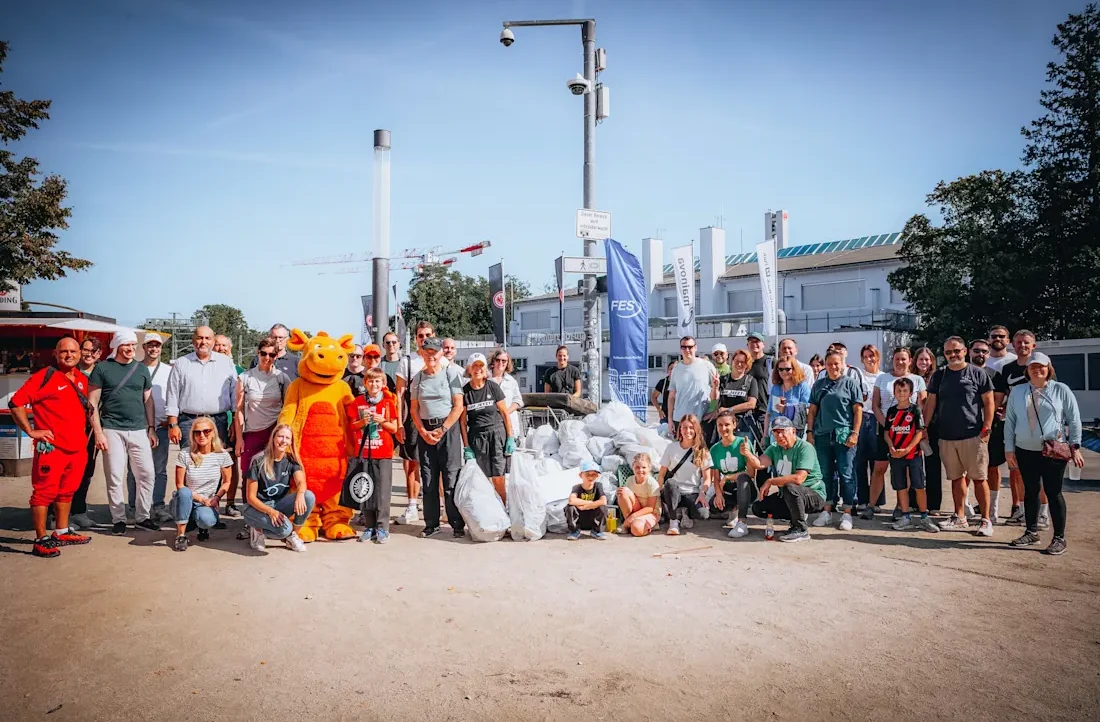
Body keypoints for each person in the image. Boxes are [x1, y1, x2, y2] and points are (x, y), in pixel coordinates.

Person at [8, 337, 92, 557]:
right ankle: (41, 539)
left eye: (73, 351)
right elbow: (16, 403)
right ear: (55, 354)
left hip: (77, 448)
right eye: (64, 351)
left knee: (67, 490)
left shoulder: (81, 379)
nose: (69, 355)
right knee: (44, 492)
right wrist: (31, 431)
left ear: (80, 354)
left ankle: (62, 531)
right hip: (52, 448)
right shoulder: (45, 376)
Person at [1005, 352, 1082, 556]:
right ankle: (1031, 532)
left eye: (1041, 366)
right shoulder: (1018, 391)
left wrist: (1075, 446)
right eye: (1033, 367)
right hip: (1025, 449)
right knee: (1030, 491)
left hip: (1052, 450)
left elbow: (1074, 419)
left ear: (1049, 369)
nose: (1037, 370)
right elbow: (1010, 421)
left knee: (1053, 492)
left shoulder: (1061, 389)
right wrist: (1009, 448)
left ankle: (1059, 537)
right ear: (1027, 370)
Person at [89, 331, 158, 536]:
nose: (130, 349)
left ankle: (143, 516)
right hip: (111, 428)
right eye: (126, 345)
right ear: (117, 346)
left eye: (133, 345)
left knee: (147, 474)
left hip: (139, 429)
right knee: (115, 476)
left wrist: (151, 428)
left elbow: (148, 401)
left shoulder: (141, 369)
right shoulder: (102, 368)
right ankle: (118, 519)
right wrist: (98, 432)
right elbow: (92, 403)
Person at [926, 337, 996, 536]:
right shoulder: (939, 376)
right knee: (956, 478)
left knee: (979, 479)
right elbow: (931, 403)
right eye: (948, 352)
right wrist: (923, 427)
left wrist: (987, 427)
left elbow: (989, 402)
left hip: (973, 434)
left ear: (965, 351)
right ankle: (960, 517)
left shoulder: (978, 373)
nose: (953, 355)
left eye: (956, 351)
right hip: (947, 436)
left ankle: (986, 520)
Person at [410, 336, 466, 538]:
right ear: (422, 354)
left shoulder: (451, 374)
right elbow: (414, 409)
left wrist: (442, 429)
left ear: (441, 353)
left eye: (434, 352)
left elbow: (458, 406)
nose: (431, 356)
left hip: (447, 429)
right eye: (427, 352)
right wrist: (423, 432)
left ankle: (456, 524)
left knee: (451, 477)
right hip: (426, 430)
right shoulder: (418, 378)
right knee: (429, 479)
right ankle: (431, 524)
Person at [742, 416, 828, 543]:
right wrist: (747, 454)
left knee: (790, 486)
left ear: (793, 431)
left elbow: (799, 479)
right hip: (789, 494)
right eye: (776, 432)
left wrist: (770, 481)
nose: (779, 436)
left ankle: (801, 529)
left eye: (783, 431)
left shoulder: (805, 448)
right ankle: (797, 515)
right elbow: (759, 464)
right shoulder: (774, 448)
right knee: (758, 507)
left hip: (813, 494)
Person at [866, 347, 927, 520]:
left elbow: (922, 406)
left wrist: (918, 428)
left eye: (903, 359)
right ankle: (871, 505)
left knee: (904, 470)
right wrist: (888, 425)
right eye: (897, 359)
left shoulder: (917, 380)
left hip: (908, 433)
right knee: (879, 468)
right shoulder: (882, 378)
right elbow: (876, 405)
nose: (900, 362)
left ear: (910, 361)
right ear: (892, 360)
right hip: (886, 430)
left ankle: (901, 507)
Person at [806, 350, 863, 531]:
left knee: (846, 474)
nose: (833, 367)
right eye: (829, 364)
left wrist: (855, 433)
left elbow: (858, 411)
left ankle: (847, 512)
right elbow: (812, 411)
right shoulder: (819, 385)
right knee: (825, 474)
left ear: (843, 364)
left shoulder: (851, 384)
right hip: (823, 435)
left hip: (844, 435)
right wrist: (809, 432)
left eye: (836, 363)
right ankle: (827, 510)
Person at [994, 330, 1046, 528]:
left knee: (1041, 472)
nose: (1022, 345)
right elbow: (1000, 396)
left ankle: (1043, 513)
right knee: (1016, 470)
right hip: (1015, 425)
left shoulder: (1041, 366)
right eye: (1018, 342)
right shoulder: (1007, 369)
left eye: (1026, 342)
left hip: (1040, 427)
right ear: (1013, 345)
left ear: (1033, 346)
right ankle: (1023, 510)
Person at [346, 367, 399, 543]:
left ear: (383, 383)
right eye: (370, 381)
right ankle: (369, 526)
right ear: (365, 383)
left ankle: (382, 527)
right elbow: (352, 426)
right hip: (364, 452)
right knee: (366, 490)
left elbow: (394, 428)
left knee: (382, 492)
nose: (374, 384)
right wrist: (363, 421)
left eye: (377, 381)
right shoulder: (358, 402)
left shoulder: (388, 403)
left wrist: (381, 421)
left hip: (383, 452)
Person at [126, 332, 174, 525]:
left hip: (161, 426)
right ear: (143, 347)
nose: (154, 349)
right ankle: (133, 507)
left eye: (157, 345)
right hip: (136, 426)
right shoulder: (133, 368)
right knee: (134, 469)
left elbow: (174, 396)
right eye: (150, 345)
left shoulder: (169, 371)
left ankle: (158, 506)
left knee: (159, 469)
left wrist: (170, 420)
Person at [166, 326, 238, 452]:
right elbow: (172, 394)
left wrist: (235, 421)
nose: (203, 342)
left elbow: (235, 394)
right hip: (188, 422)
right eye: (200, 338)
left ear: (213, 341)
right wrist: (173, 424)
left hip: (218, 422)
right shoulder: (181, 363)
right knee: (190, 460)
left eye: (207, 338)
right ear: (193, 340)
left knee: (217, 460)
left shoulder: (226, 363)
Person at [242, 423, 312, 552]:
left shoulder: (291, 460)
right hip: (256, 508)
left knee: (308, 496)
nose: (283, 441)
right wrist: (270, 512)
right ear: (273, 438)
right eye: (280, 436)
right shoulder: (258, 460)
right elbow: (250, 498)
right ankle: (257, 530)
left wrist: (300, 494)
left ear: (291, 442)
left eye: (287, 438)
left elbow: (301, 482)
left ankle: (292, 536)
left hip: (278, 505)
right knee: (284, 530)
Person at [169, 416, 234, 551]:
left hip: (208, 501)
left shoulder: (222, 455)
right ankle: (181, 535)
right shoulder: (185, 454)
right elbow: (180, 485)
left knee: (207, 520)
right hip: (187, 499)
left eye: (206, 431)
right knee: (184, 492)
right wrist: (201, 499)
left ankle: (201, 525)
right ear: (193, 435)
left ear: (213, 433)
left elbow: (227, 481)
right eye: (197, 432)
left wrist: (217, 497)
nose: (202, 435)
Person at [883, 378, 938, 533]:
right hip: (896, 455)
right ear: (894, 393)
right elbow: (886, 433)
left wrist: (907, 449)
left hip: (913, 455)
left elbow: (919, 432)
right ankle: (905, 516)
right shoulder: (891, 411)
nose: (902, 393)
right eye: (899, 391)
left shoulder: (915, 410)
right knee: (900, 486)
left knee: (919, 485)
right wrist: (891, 447)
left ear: (911, 393)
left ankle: (924, 517)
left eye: (905, 390)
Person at [394, 321, 435, 526]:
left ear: (433, 335)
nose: (424, 339)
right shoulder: (408, 361)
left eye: (428, 335)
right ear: (416, 338)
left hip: (435, 416)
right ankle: (412, 506)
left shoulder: (440, 359)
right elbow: (399, 395)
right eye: (420, 336)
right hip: (413, 416)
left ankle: (441, 507)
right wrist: (399, 423)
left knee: (437, 463)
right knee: (412, 463)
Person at [460, 353, 515, 503]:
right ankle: (487, 511)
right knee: (482, 480)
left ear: (485, 369)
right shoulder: (465, 392)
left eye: (481, 366)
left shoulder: (493, 387)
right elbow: (463, 422)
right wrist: (466, 446)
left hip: (497, 435)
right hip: (477, 438)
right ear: (469, 369)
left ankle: (503, 510)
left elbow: (505, 414)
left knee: (499, 478)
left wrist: (510, 438)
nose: (478, 369)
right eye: (474, 366)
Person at [971, 338, 1007, 524]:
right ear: (969, 351)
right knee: (965, 471)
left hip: (989, 428)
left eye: (984, 351)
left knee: (992, 467)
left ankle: (993, 508)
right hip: (964, 428)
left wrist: (986, 425)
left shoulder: (996, 376)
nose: (980, 354)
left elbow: (995, 403)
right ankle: (964, 508)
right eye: (976, 350)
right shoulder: (960, 373)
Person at [69, 336, 103, 530]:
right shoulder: (70, 372)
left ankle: (79, 511)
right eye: (86, 350)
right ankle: (57, 513)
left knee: (87, 471)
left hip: (92, 430)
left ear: (100, 354)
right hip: (70, 429)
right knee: (66, 471)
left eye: (94, 351)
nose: (89, 354)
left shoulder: (102, 372)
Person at [658, 413, 711, 536]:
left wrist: (703, 493)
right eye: (684, 427)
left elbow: (707, 478)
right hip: (674, 491)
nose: (688, 431)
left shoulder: (702, 450)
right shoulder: (671, 448)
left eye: (691, 428)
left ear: (696, 430)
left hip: (692, 492)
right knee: (670, 483)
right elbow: (661, 474)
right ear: (680, 429)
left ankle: (684, 512)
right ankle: (673, 522)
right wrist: (657, 494)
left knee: (703, 514)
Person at [709, 410, 756, 538]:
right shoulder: (715, 449)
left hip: (745, 487)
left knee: (742, 479)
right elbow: (716, 477)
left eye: (727, 424)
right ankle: (733, 510)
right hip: (728, 488)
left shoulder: (742, 443)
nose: (723, 428)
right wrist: (718, 494)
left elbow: (751, 473)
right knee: (714, 506)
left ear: (734, 425)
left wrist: (728, 477)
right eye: (720, 425)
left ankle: (742, 522)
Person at [667, 336, 718, 436]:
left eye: (690, 347)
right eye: (684, 347)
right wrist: (670, 419)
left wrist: (714, 410)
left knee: (702, 446)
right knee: (682, 446)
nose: (687, 350)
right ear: (680, 348)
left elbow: (717, 391)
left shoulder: (707, 366)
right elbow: (671, 396)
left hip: (702, 419)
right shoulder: (676, 369)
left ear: (695, 347)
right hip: (680, 419)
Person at [706, 349, 759, 445]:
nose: (739, 364)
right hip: (724, 425)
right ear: (732, 361)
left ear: (747, 364)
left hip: (743, 425)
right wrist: (715, 387)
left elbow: (751, 404)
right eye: (737, 361)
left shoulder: (751, 381)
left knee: (743, 451)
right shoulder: (724, 379)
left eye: (742, 362)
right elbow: (714, 399)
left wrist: (729, 410)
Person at [912, 346, 942, 514]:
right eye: (920, 359)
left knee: (933, 465)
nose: (923, 362)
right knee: (912, 464)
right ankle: (913, 502)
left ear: (931, 361)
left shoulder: (937, 378)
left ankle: (933, 505)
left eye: (926, 359)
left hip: (933, 425)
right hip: (911, 426)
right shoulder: (909, 378)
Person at [854, 345, 883, 508]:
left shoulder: (883, 376)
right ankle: (863, 499)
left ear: (877, 357)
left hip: (878, 418)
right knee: (860, 461)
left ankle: (877, 500)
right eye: (865, 357)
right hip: (862, 417)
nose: (869, 359)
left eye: (871, 356)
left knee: (877, 462)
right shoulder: (859, 376)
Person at [487, 347, 524, 457]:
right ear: (493, 361)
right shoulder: (486, 379)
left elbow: (518, 400)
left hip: (510, 423)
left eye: (504, 361)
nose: (500, 363)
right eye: (498, 360)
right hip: (491, 423)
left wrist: (506, 412)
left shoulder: (511, 381)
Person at [616, 453, 661, 537]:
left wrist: (633, 516)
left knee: (636, 529)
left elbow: (650, 508)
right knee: (623, 491)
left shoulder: (652, 483)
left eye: (644, 467)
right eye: (637, 467)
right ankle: (628, 523)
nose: (640, 470)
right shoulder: (630, 480)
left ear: (649, 468)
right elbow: (626, 499)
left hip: (651, 512)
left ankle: (643, 525)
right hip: (637, 509)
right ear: (633, 467)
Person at [766, 354, 811, 437]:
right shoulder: (775, 388)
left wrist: (787, 409)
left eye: (787, 369)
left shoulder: (802, 387)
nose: (784, 372)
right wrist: (765, 435)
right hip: (776, 433)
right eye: (781, 369)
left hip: (795, 433)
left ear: (794, 369)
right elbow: (769, 413)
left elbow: (807, 410)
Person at [566, 460, 608, 540]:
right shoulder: (577, 487)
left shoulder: (598, 486)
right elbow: (571, 500)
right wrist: (590, 503)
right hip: (580, 518)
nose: (590, 477)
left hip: (593, 518)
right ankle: (575, 531)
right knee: (570, 507)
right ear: (580, 475)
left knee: (603, 507)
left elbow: (603, 501)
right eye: (587, 474)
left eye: (593, 475)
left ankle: (597, 531)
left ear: (597, 476)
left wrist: (584, 507)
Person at [745, 332, 770, 405]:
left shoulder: (770, 362)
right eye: (751, 342)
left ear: (763, 345)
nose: (754, 344)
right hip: (746, 407)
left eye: (757, 341)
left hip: (765, 407)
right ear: (747, 345)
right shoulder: (744, 363)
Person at [651, 360, 675, 425]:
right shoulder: (663, 382)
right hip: (665, 416)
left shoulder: (683, 383)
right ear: (668, 370)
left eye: (675, 369)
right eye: (671, 369)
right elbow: (653, 397)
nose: (673, 371)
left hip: (678, 416)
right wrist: (659, 410)